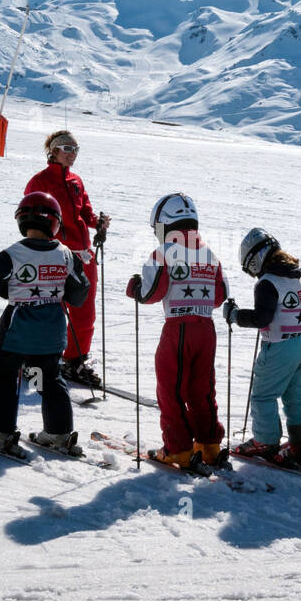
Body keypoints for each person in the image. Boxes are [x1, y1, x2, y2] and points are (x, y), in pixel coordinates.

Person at [0, 192, 90, 456]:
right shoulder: (66, 255)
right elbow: (80, 293)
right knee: (47, 379)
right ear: (55, 223)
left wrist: (8, 288)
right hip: (51, 332)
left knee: (4, 378)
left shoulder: (12, 253)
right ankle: (58, 433)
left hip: (17, 331)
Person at [126, 193, 228, 467]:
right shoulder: (210, 253)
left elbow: (151, 293)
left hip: (177, 328)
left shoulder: (163, 253)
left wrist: (135, 288)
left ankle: (179, 449)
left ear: (164, 224)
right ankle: (209, 445)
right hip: (206, 328)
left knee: (171, 389)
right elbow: (220, 296)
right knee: (202, 388)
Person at [222, 228, 301, 467]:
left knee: (263, 396)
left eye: (249, 267)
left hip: (280, 345)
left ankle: (265, 441)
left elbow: (263, 319)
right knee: (296, 398)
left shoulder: (267, 282)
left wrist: (235, 315)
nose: (252, 273)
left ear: (256, 258)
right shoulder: (295, 275)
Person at [24, 130, 111, 387]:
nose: (72, 154)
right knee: (49, 309)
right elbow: (29, 217)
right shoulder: (39, 181)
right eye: (66, 148)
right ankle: (35, 360)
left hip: (83, 255)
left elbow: (85, 210)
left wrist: (98, 223)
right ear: (52, 150)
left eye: (75, 149)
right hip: (55, 254)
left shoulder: (76, 180)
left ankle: (74, 359)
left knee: (84, 310)